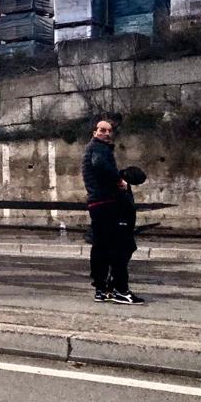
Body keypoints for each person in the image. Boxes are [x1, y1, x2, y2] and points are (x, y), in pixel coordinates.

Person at [83, 117, 145, 305]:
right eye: (102, 130)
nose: (106, 133)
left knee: (102, 247)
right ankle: (120, 290)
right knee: (122, 246)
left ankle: (102, 289)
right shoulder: (98, 148)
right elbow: (100, 165)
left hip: (98, 204)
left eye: (109, 131)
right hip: (107, 203)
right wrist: (119, 181)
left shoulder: (95, 148)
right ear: (94, 132)